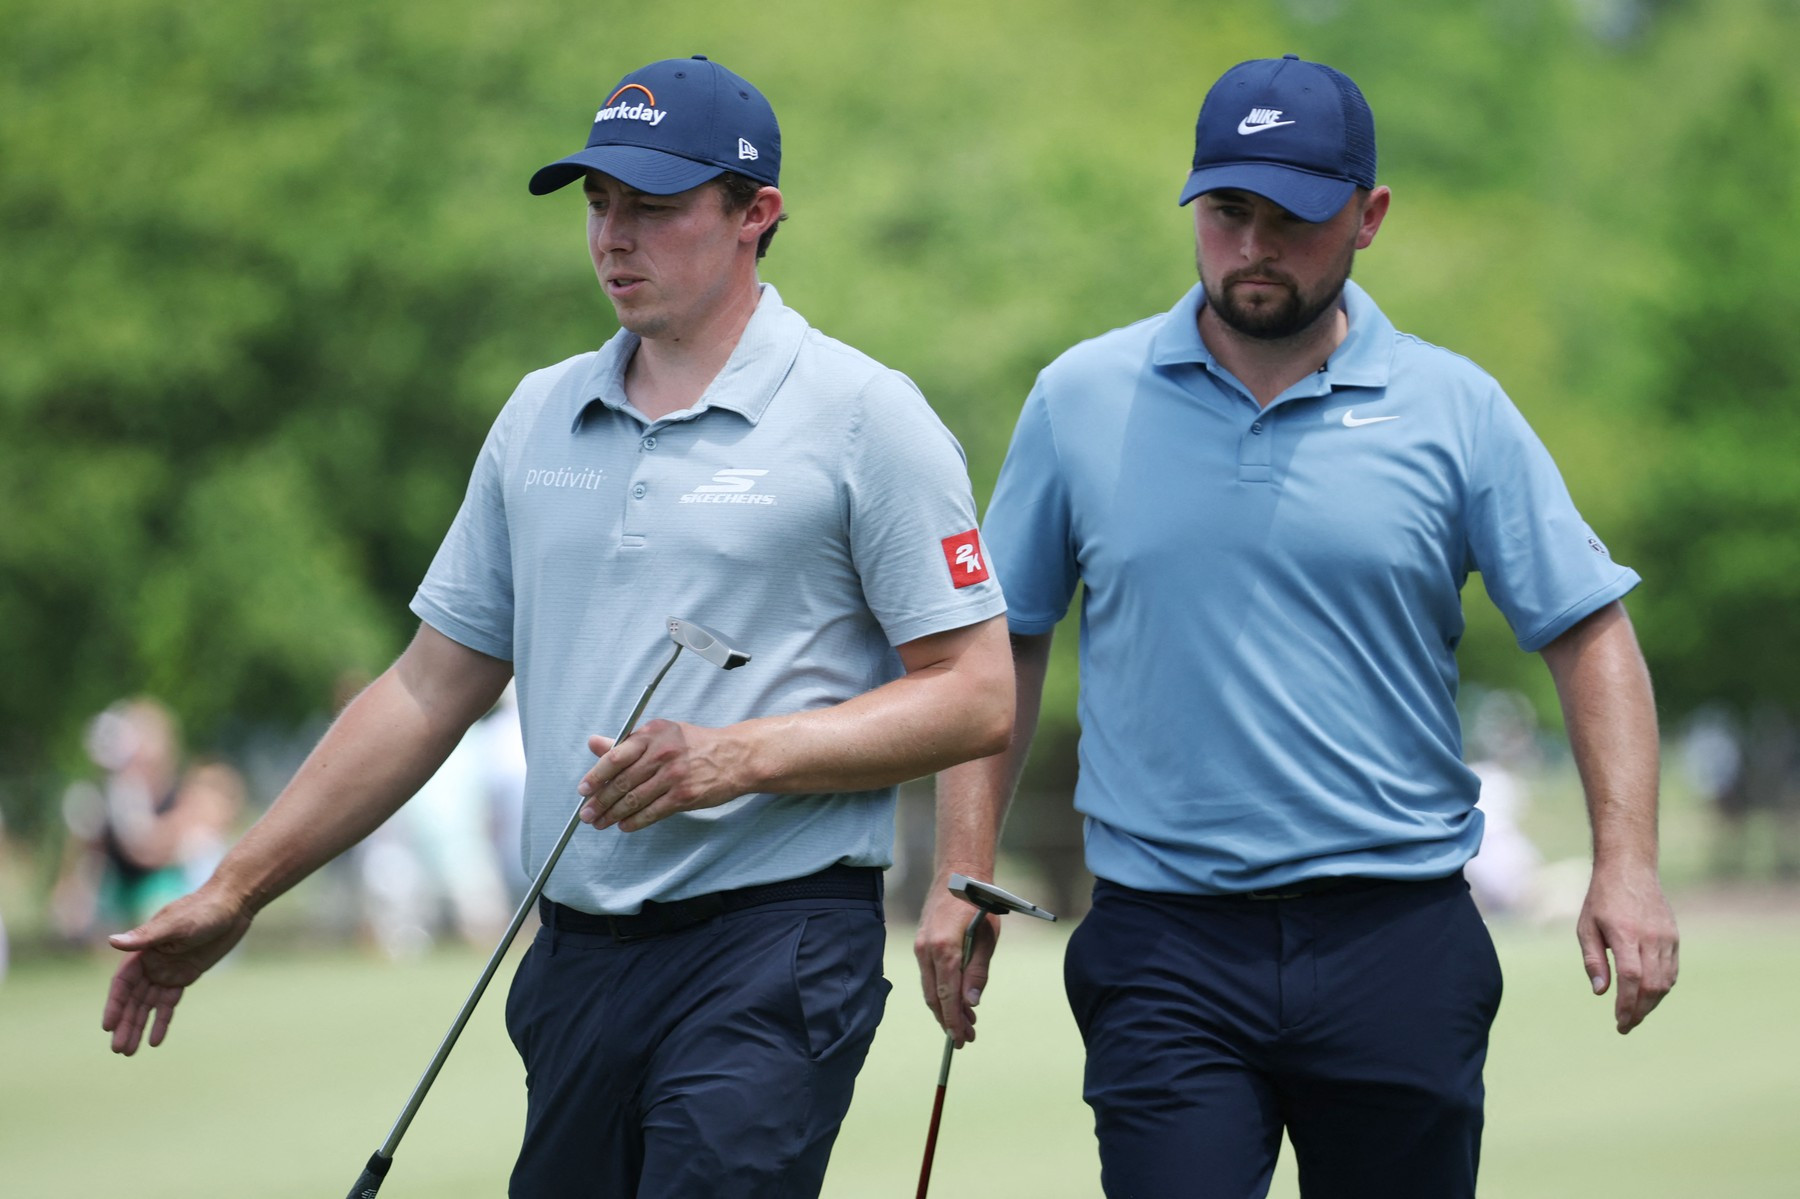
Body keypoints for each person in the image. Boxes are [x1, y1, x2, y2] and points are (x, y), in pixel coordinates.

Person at [103, 55, 1012, 1199]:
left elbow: (976, 691)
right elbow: (427, 687)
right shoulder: (539, 414)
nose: (613, 237)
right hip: (573, 955)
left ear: (756, 213)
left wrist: (737, 755)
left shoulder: (865, 414)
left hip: (773, 947)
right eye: (598, 201)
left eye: (654, 205)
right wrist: (237, 886)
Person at [919, 54, 1678, 1199]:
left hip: (1396, 937)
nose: (1254, 244)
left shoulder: (1456, 407)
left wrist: (1628, 863)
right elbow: (1003, 644)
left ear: (1368, 217)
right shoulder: (1079, 398)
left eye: (1294, 217)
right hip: (1163, 944)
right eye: (1228, 210)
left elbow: (1590, 633)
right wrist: (963, 870)